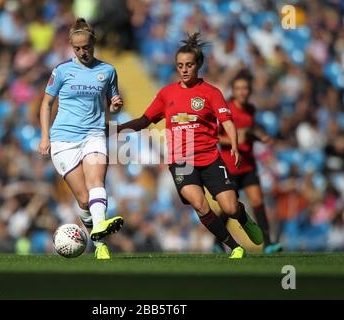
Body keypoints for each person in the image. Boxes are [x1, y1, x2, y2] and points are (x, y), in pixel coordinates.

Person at [117, 32, 263, 258]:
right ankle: (234, 247)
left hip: (209, 158)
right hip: (181, 161)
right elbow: (145, 120)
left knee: (230, 208)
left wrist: (233, 145)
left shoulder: (211, 93)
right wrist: (118, 128)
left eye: (189, 65)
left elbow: (227, 121)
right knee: (200, 205)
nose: (184, 70)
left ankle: (243, 217)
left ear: (198, 65)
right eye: (180, 65)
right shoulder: (167, 93)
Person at [38, 18, 124, 260]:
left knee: (96, 182)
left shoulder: (107, 71)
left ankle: (101, 243)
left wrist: (116, 106)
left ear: (93, 43)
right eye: (77, 48)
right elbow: (46, 104)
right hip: (63, 140)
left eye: (86, 47)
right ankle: (99, 242)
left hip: (94, 135)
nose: (82, 52)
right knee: (84, 200)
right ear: (71, 47)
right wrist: (45, 136)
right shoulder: (62, 71)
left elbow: (113, 104)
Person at [218, 70, 282, 253]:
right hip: (230, 165)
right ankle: (217, 241)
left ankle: (268, 243)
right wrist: (235, 139)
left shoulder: (251, 109)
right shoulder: (225, 109)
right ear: (233, 90)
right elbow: (215, 136)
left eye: (245, 88)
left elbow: (250, 131)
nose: (242, 92)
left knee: (257, 200)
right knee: (230, 208)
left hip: (248, 164)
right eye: (238, 88)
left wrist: (261, 137)